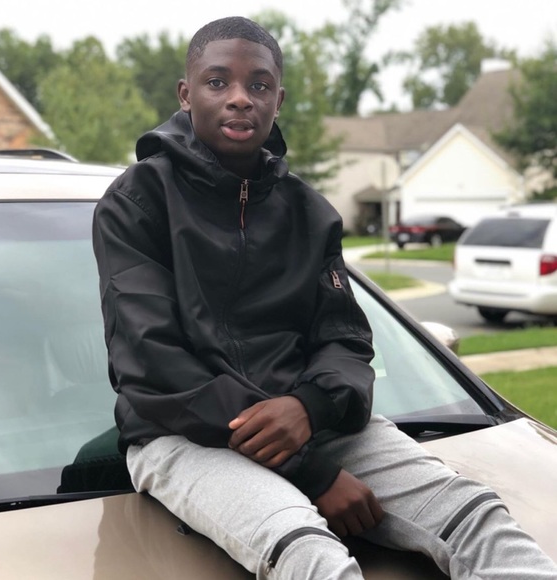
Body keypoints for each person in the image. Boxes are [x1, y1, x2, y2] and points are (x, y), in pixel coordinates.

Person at [92, 16, 557, 580]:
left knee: (477, 515)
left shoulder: (309, 212)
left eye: (259, 85)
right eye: (218, 82)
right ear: (186, 94)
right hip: (183, 434)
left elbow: (346, 339)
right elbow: (153, 361)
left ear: (279, 99)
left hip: (311, 425)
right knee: (308, 553)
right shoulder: (137, 202)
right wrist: (312, 474)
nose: (240, 98)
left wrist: (310, 407)